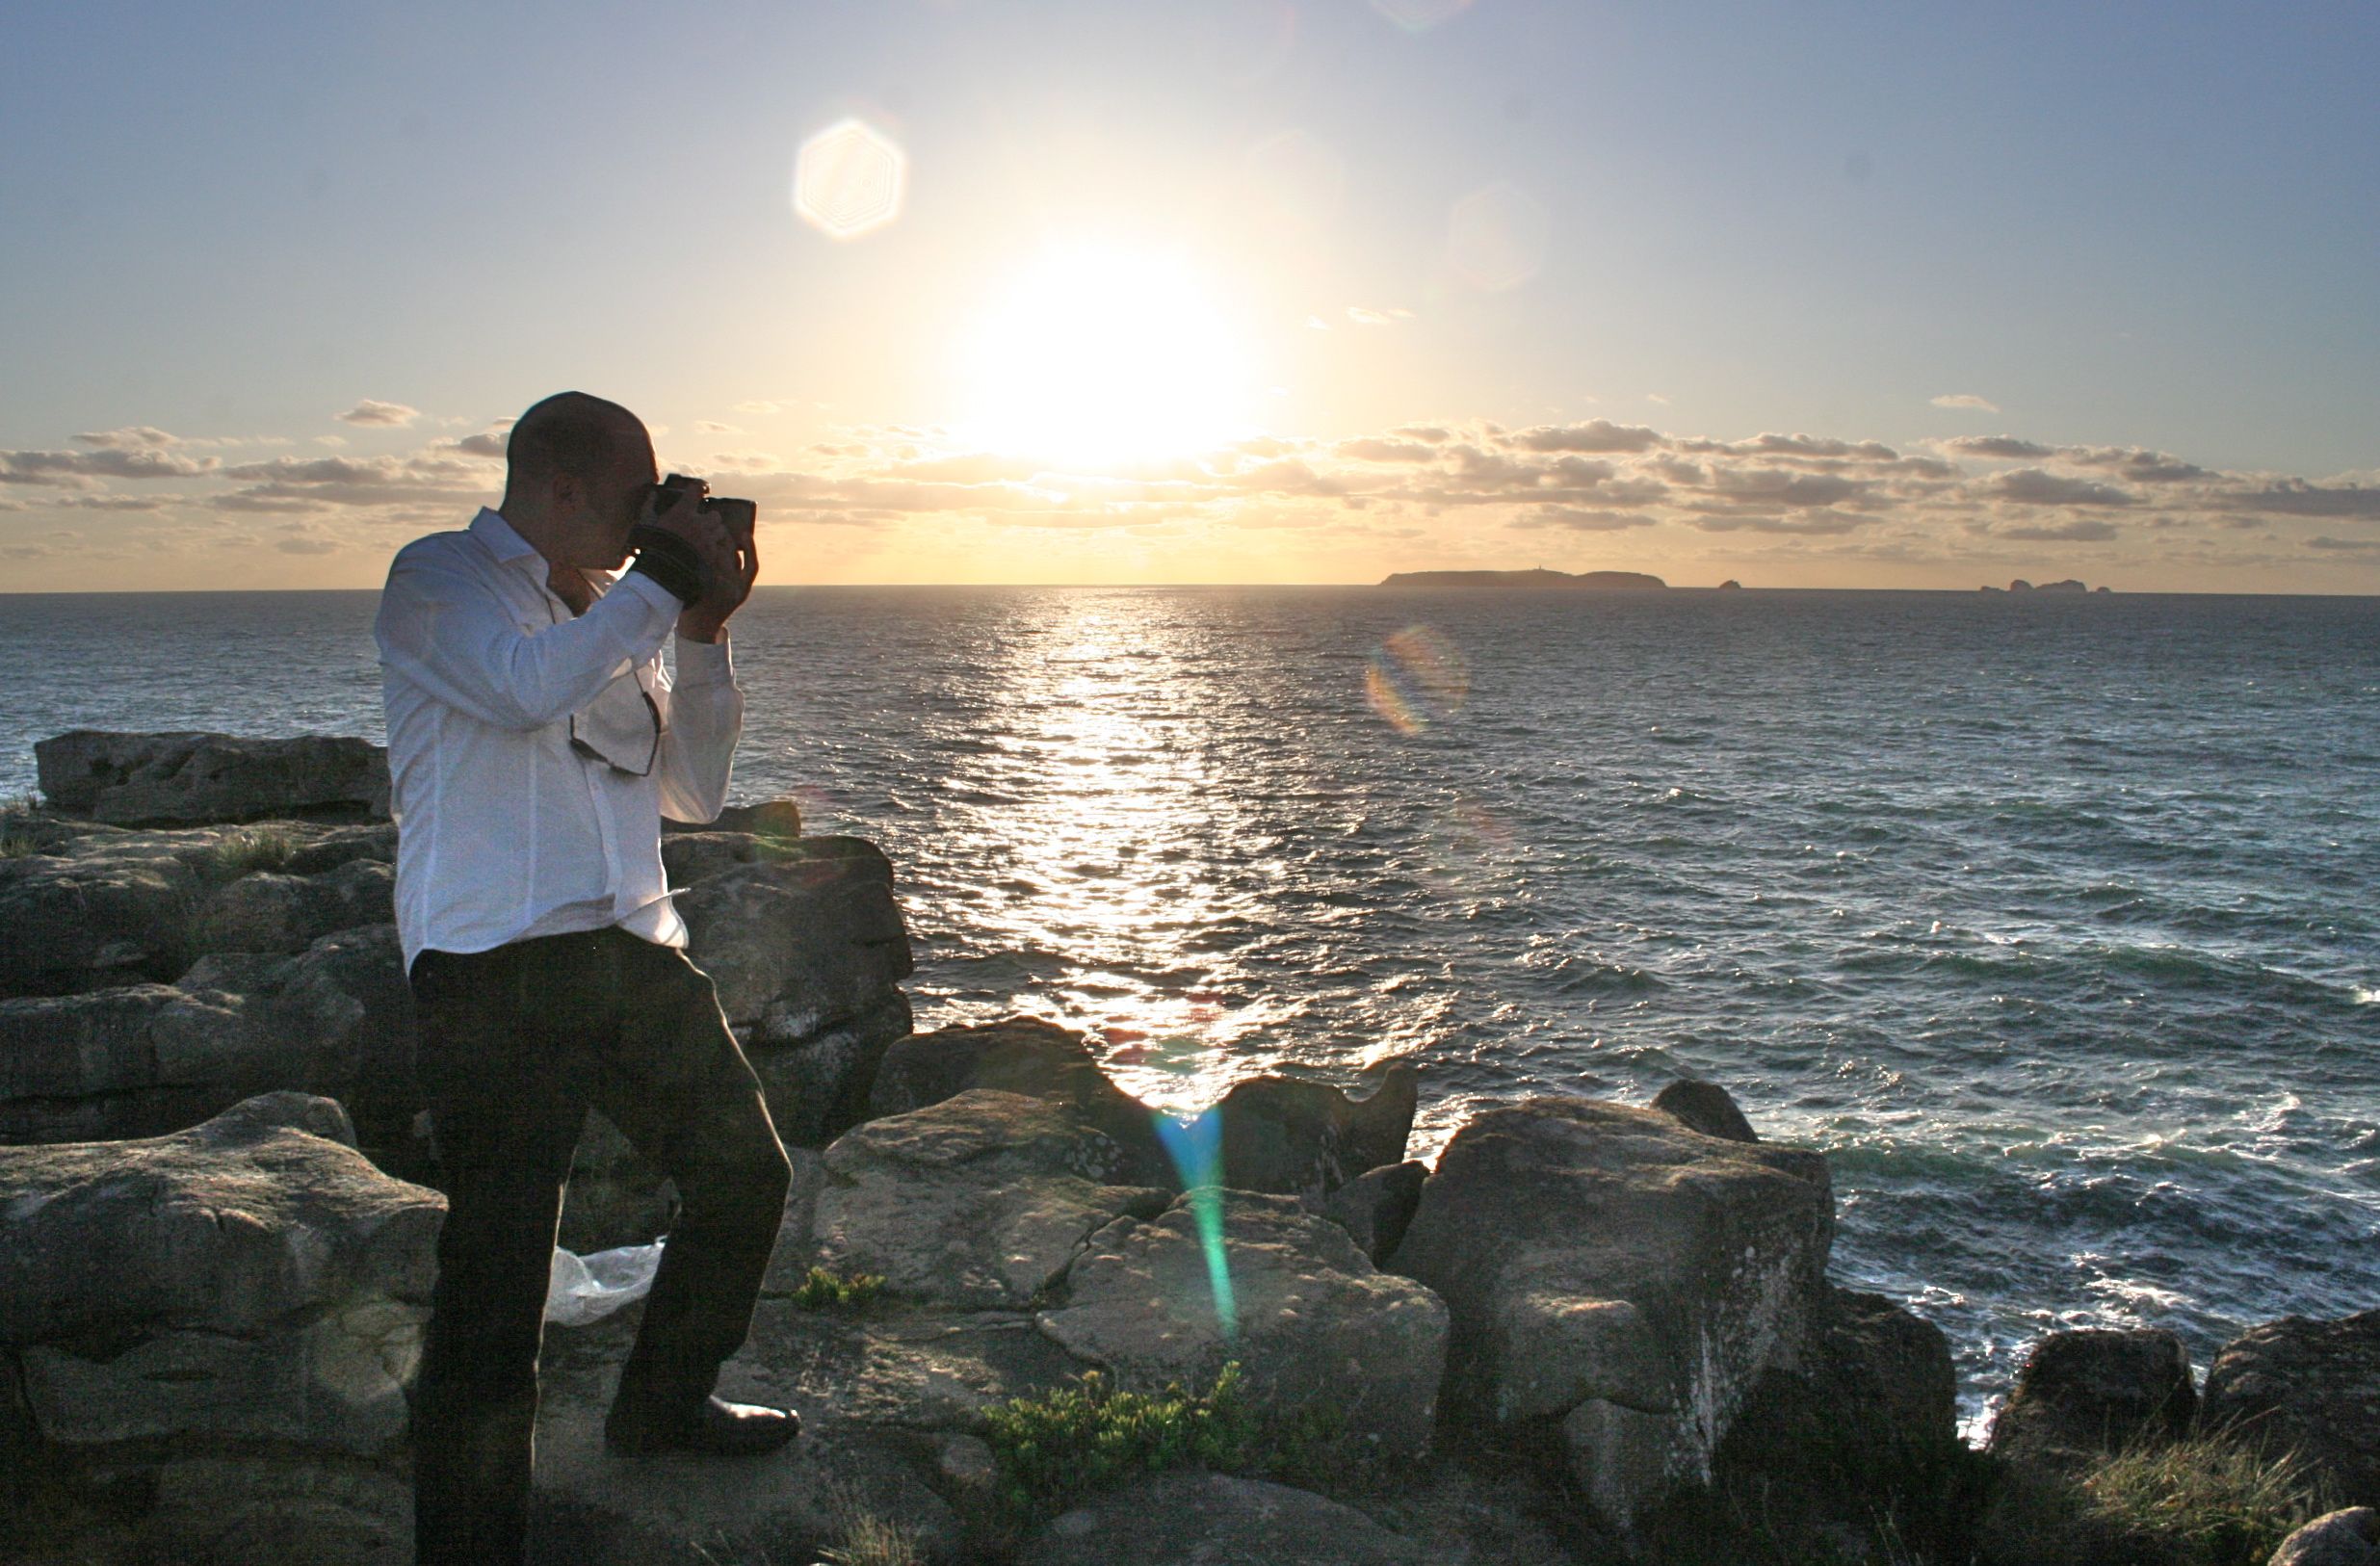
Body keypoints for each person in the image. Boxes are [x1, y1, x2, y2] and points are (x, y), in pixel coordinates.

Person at [375, 391, 794, 1565]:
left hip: (625, 950)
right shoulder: (439, 580)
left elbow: (689, 794)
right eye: (637, 498)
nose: (652, 519)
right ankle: (470, 1544)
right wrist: (660, 588)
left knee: (743, 1177)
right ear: (561, 487)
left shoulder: (615, 609)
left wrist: (702, 632)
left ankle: (662, 1406)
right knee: (498, 1278)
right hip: (493, 968)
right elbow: (521, 687)